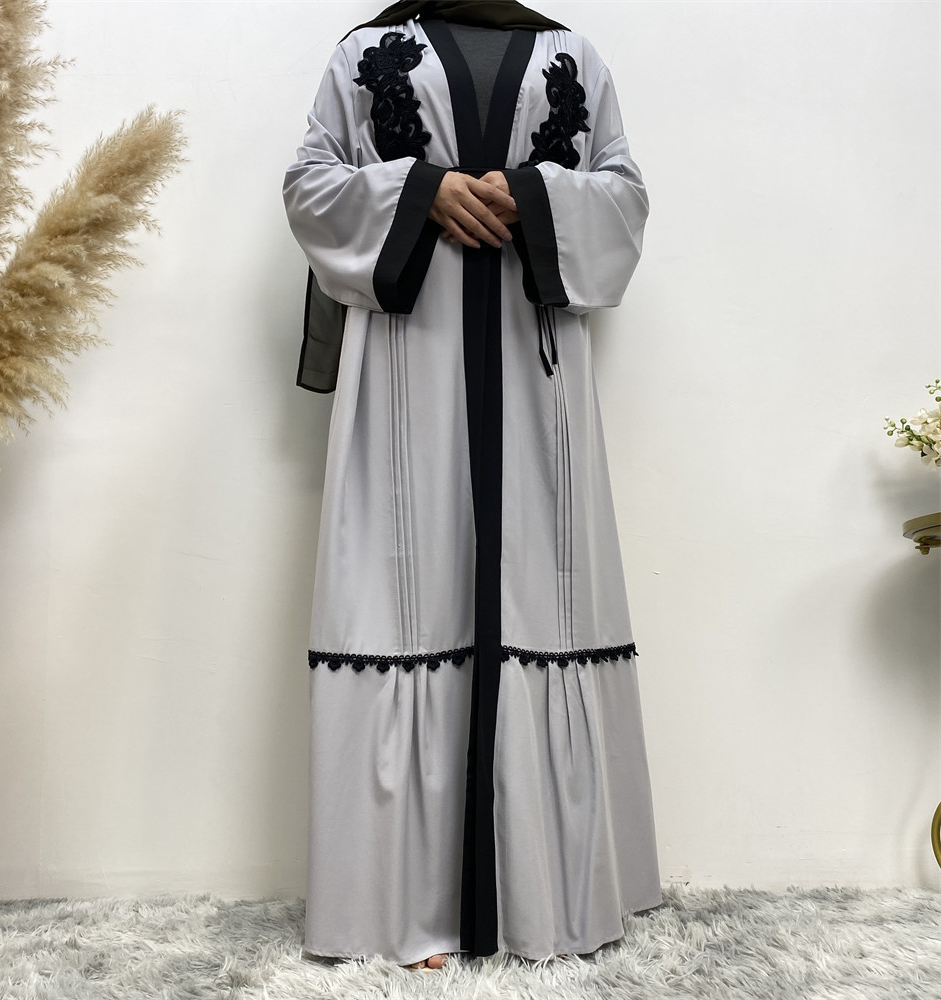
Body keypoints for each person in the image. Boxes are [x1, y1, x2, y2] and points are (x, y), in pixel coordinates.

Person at [283, 0, 662, 970]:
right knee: (404, 587)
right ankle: (398, 907)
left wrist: (534, 200)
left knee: (543, 586)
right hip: (405, 372)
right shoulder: (367, 51)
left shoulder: (571, 52)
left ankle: (551, 895)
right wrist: (419, 194)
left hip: (538, 384)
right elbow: (309, 187)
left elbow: (624, 198)